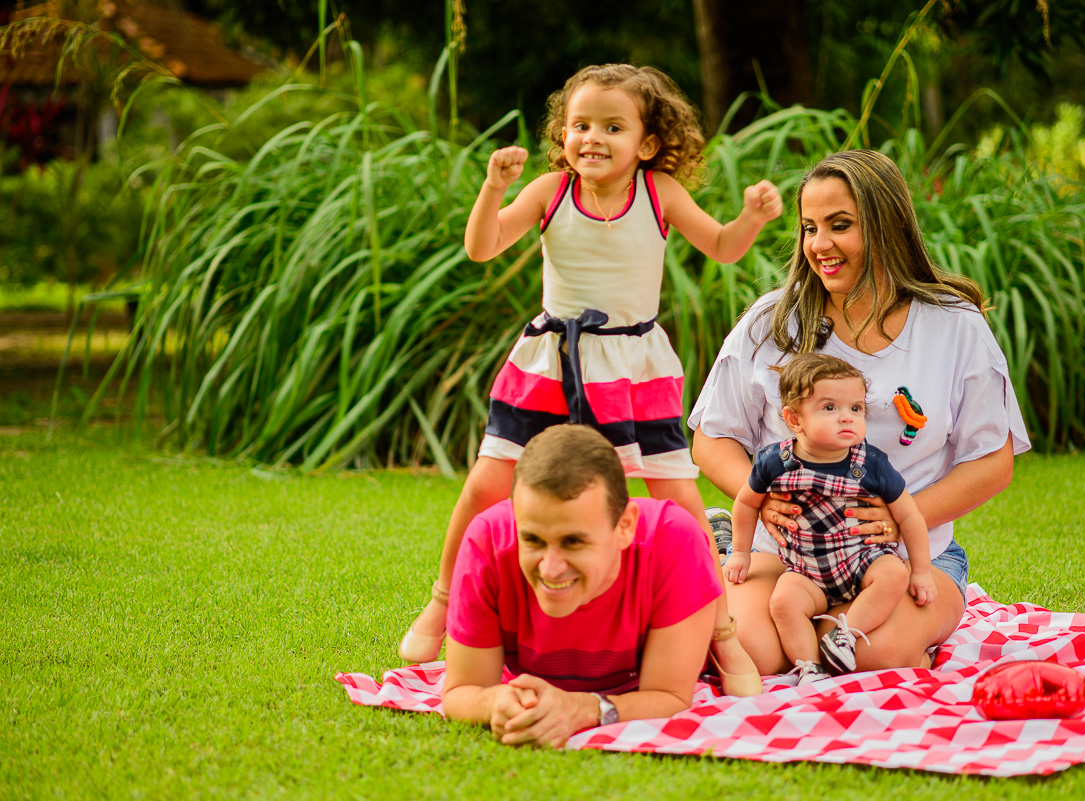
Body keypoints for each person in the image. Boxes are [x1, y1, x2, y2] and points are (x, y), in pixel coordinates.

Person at [402, 64, 782, 696]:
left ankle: (722, 635)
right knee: (486, 486)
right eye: (580, 125)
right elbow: (482, 245)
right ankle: (443, 603)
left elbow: (721, 246)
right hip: (551, 360)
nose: (592, 138)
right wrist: (494, 189)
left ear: (648, 143)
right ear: (563, 132)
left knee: (680, 504)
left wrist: (751, 218)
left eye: (612, 126)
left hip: (634, 368)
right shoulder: (551, 191)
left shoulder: (659, 195)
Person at [689, 149, 1031, 675]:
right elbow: (712, 439)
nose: (819, 245)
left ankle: (885, 633)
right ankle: (723, 538)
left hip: (905, 560)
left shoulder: (954, 326)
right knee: (751, 651)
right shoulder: (770, 323)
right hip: (783, 553)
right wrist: (757, 502)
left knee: (873, 654)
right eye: (809, 228)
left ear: (886, 226)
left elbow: (992, 462)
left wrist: (900, 519)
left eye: (839, 225)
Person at [441, 425, 723, 748]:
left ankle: (720, 542)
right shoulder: (488, 541)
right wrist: (494, 703)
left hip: (696, 570)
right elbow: (462, 692)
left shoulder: (675, 541)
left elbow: (670, 696)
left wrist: (584, 709)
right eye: (532, 539)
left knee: (762, 650)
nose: (550, 567)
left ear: (624, 527)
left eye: (573, 541)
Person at [724, 352, 935, 677]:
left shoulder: (870, 463)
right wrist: (740, 552)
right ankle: (808, 666)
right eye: (829, 408)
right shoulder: (774, 462)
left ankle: (845, 633)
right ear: (795, 419)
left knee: (894, 573)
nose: (847, 417)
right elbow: (747, 503)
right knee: (783, 602)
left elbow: (909, 516)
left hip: (862, 562)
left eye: (856, 408)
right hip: (805, 570)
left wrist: (920, 571)